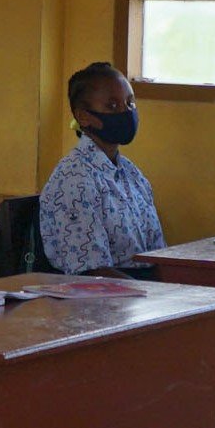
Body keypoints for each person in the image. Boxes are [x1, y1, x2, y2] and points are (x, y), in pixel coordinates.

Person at [36, 61, 165, 274]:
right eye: (112, 106)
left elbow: (159, 257)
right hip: (103, 298)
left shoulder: (132, 174)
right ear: (83, 116)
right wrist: (151, 298)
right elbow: (92, 274)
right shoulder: (74, 180)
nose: (126, 111)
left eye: (130, 103)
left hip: (146, 293)